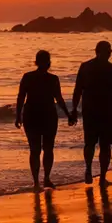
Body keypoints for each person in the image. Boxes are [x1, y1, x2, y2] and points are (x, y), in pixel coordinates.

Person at [69, 40, 112, 187]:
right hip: (104, 110)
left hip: (93, 109)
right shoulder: (111, 69)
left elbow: (78, 90)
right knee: (101, 145)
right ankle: (98, 176)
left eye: (110, 50)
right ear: (100, 51)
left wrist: (74, 109)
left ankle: (93, 172)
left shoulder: (86, 67)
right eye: (108, 50)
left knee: (94, 143)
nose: (110, 52)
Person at [16, 50, 69, 190]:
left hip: (33, 115)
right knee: (46, 149)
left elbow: (21, 98)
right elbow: (59, 99)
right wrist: (68, 114)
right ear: (49, 63)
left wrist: (18, 115)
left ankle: (38, 182)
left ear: (36, 62)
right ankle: (43, 179)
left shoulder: (28, 77)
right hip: (46, 116)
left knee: (37, 150)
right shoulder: (52, 79)